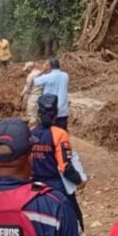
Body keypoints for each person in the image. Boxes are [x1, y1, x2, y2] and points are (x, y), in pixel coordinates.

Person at [30, 94, 85, 228]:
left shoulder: (29, 132)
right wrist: (79, 180)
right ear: (55, 113)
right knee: (74, 219)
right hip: (55, 185)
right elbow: (64, 166)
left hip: (34, 185)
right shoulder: (60, 134)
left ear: (39, 112)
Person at [33, 59, 69, 130]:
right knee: (62, 134)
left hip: (49, 111)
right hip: (63, 111)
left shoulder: (47, 77)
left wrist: (43, 70)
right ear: (59, 65)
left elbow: (35, 81)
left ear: (49, 66)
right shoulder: (66, 76)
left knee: (49, 135)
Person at [20, 62, 43, 126]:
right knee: (40, 114)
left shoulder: (31, 75)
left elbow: (27, 86)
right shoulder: (40, 73)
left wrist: (21, 94)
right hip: (42, 95)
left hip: (33, 96)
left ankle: (33, 130)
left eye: (27, 69)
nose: (26, 71)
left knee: (32, 115)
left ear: (30, 68)